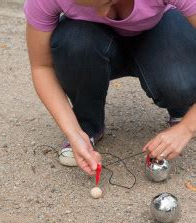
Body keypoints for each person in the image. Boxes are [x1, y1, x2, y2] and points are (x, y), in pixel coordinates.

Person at [24, 0, 196, 176]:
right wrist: (73, 132)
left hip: (158, 28)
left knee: (180, 80)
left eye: (107, 1)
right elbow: (42, 67)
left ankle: (182, 110)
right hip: (92, 42)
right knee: (74, 42)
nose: (101, 14)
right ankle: (86, 127)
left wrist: (187, 127)